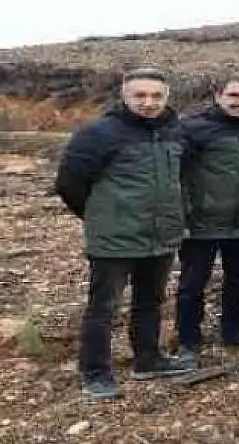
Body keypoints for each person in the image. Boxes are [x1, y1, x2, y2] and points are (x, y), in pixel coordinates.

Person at [55, 68, 191, 399]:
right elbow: (69, 184)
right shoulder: (99, 134)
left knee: (150, 300)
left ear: (167, 97)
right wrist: (100, 218)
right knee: (103, 307)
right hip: (114, 240)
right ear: (124, 96)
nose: (148, 103)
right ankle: (96, 373)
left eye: (156, 96)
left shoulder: (175, 132)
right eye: (140, 96)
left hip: (160, 236)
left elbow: (181, 177)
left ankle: (148, 359)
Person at [176, 78, 239, 368]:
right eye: (234, 95)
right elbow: (176, 175)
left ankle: (233, 330)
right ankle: (188, 339)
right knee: (193, 284)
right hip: (201, 223)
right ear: (218, 95)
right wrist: (181, 215)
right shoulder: (192, 128)